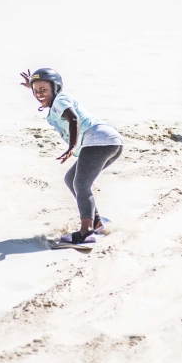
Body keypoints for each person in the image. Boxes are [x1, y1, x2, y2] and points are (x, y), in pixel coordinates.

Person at [20, 68, 123, 243]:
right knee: (71, 179)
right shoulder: (56, 102)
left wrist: (71, 147)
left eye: (43, 90)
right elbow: (49, 93)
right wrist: (35, 84)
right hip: (111, 142)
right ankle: (97, 222)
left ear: (56, 88)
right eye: (35, 91)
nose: (38, 94)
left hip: (100, 140)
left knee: (81, 183)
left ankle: (86, 232)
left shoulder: (60, 99)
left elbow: (73, 119)